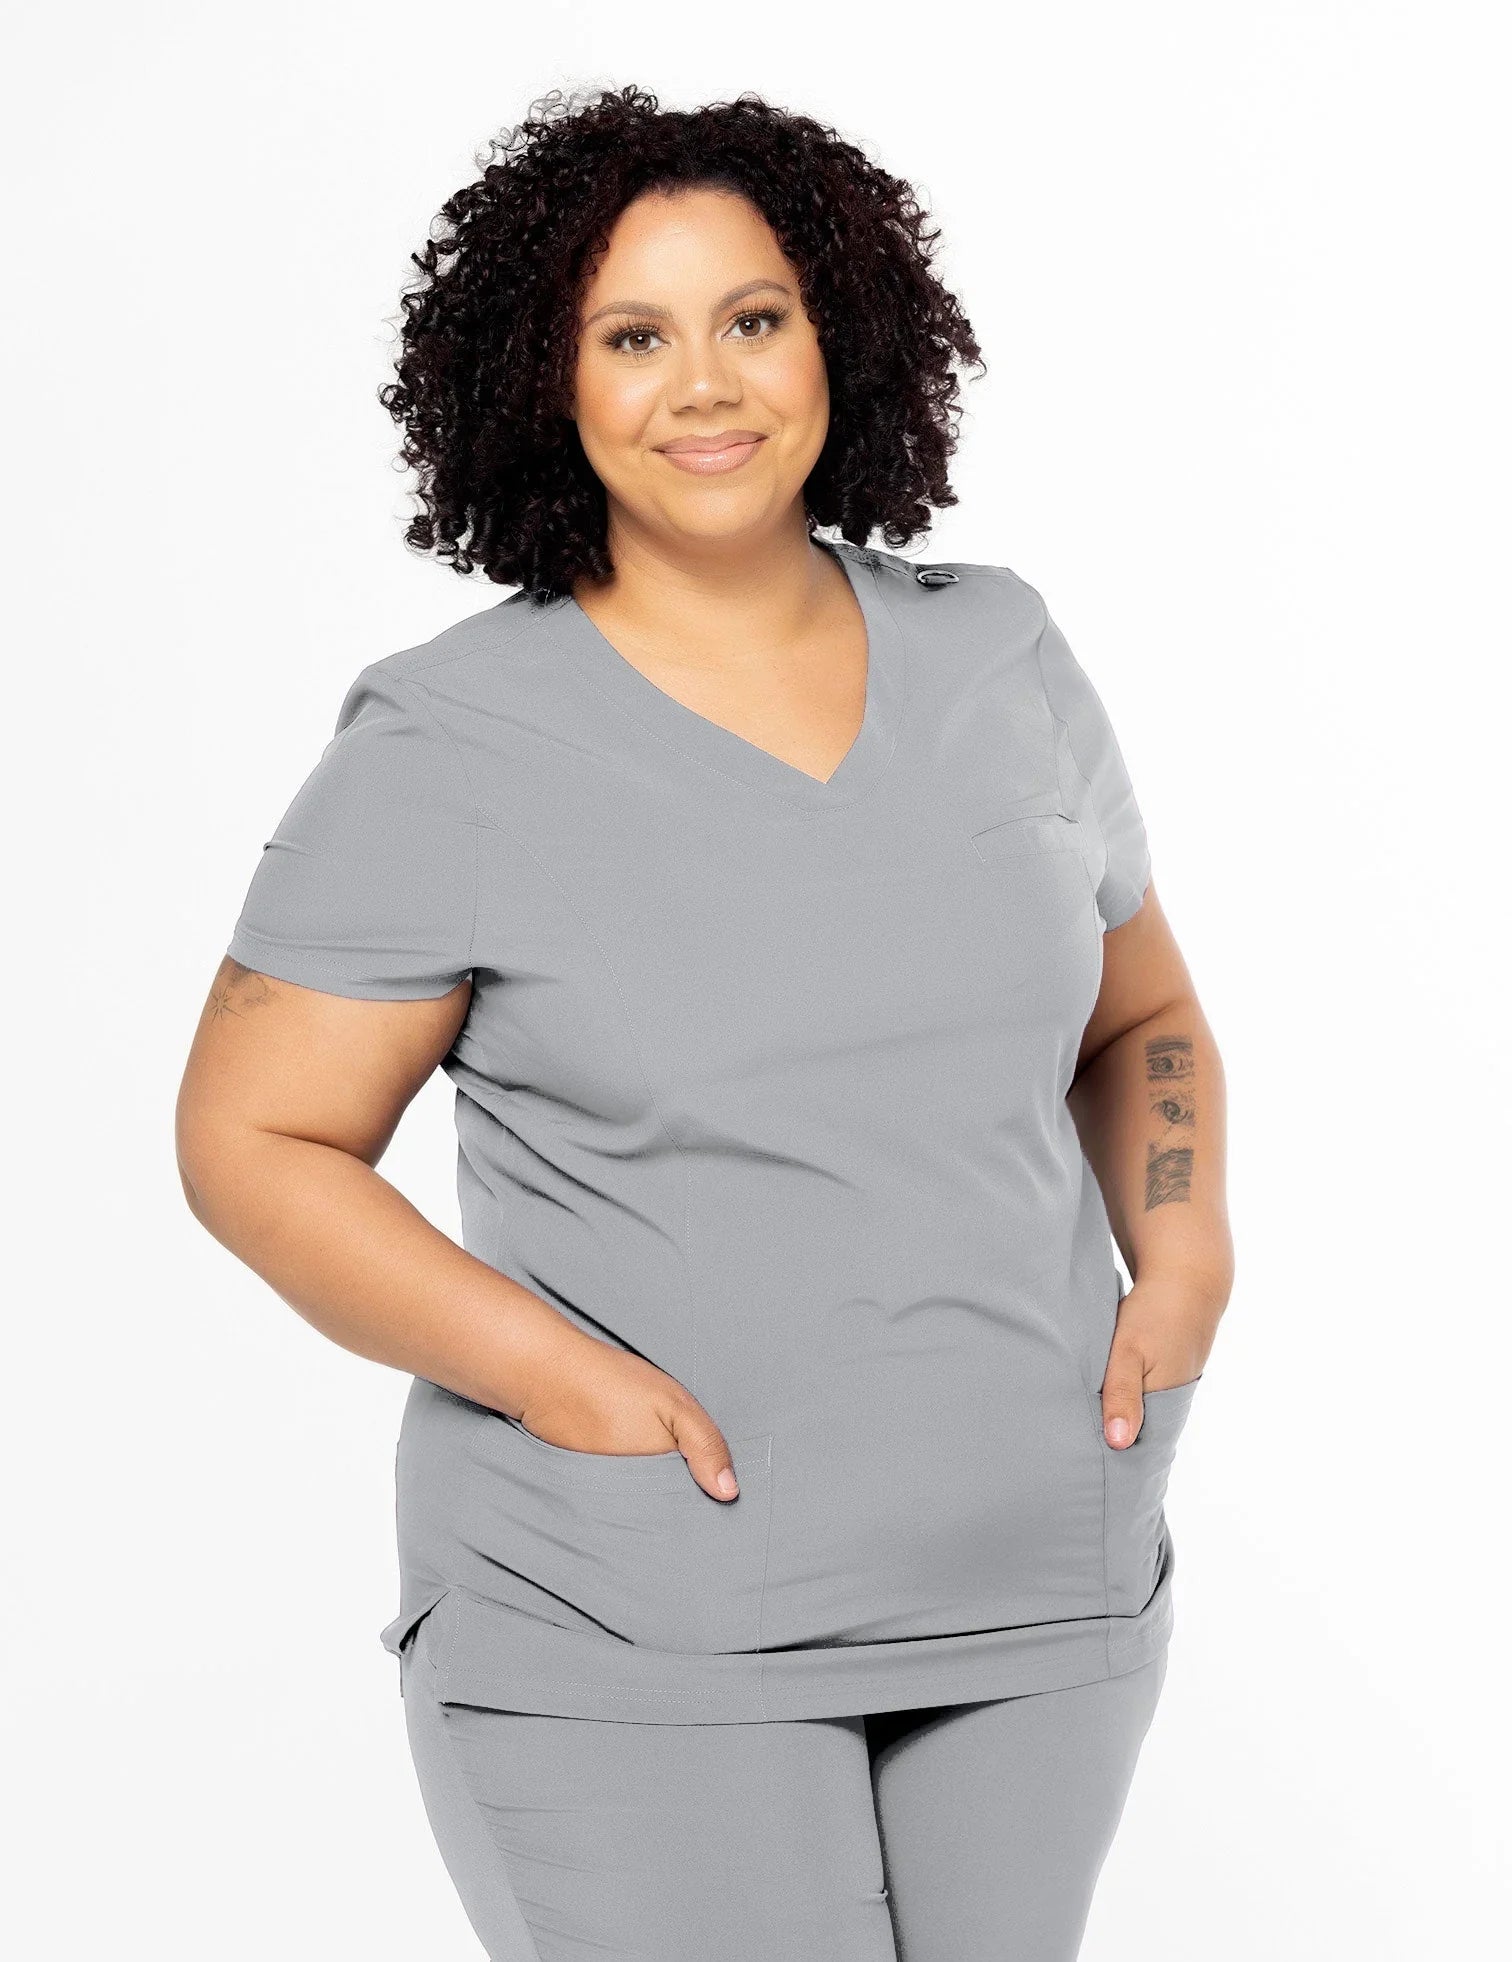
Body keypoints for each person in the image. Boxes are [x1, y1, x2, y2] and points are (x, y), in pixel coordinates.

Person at [177, 83, 1233, 1962]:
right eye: (633, 336)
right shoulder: (450, 741)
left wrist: (1184, 1253)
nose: (708, 383)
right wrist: (564, 1382)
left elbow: (1138, 1011)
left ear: (839, 331)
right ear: (546, 384)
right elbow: (253, 1141)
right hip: (635, 1610)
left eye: (753, 317)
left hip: (1036, 1589)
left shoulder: (998, 652)